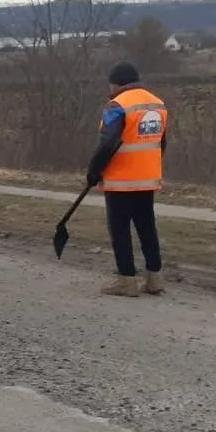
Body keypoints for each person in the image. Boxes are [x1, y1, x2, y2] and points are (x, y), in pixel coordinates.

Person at [88, 61, 168, 297]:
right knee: (147, 227)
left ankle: (127, 280)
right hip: (148, 178)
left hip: (121, 180)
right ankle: (155, 278)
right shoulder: (158, 104)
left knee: (120, 229)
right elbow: (161, 143)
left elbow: (107, 143)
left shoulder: (117, 105)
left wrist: (94, 171)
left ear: (116, 83)